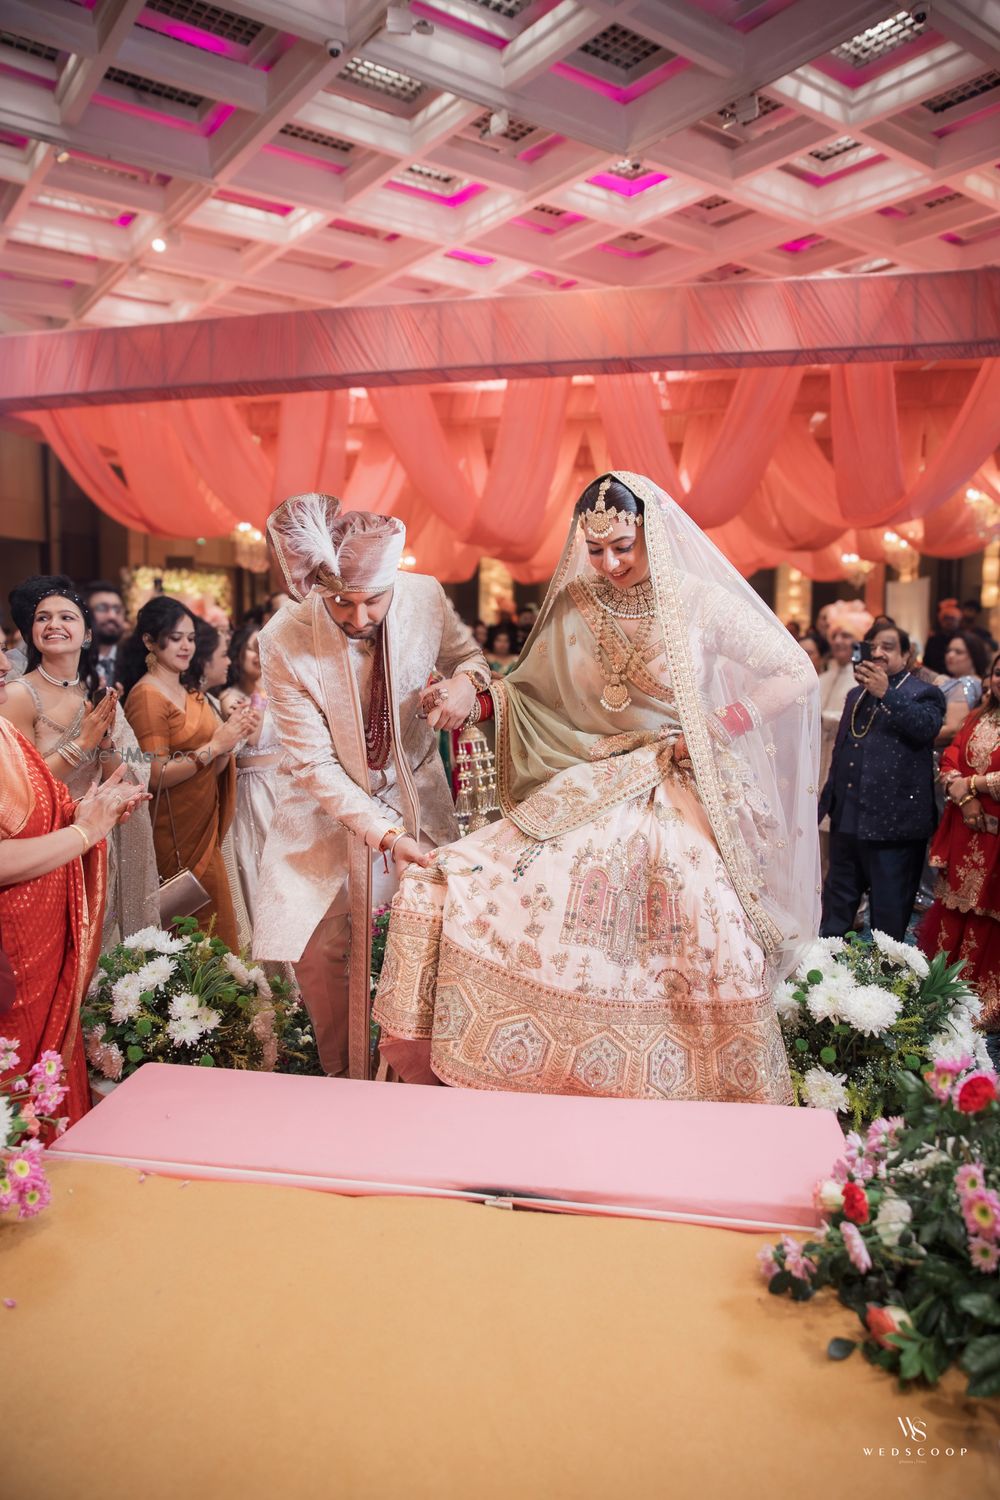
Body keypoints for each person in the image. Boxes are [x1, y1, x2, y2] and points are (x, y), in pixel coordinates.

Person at [374, 471, 820, 1101]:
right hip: (588, 777)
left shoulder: (697, 601)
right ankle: (554, 1068)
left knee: (702, 920)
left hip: (674, 780)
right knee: (472, 883)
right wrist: (472, 697)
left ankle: (692, 1081)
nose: (610, 563)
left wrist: (712, 729)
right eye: (596, 549)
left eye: (623, 547)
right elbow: (530, 691)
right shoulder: (576, 600)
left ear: (651, 534)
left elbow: (795, 670)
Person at [252, 494, 491, 1080]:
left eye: (373, 601)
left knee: (433, 941)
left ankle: (423, 1078)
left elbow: (472, 658)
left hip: (418, 801)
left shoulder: (426, 596)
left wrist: (465, 683)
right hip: (324, 811)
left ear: (395, 584)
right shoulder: (283, 636)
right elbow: (312, 762)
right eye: (341, 602)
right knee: (320, 951)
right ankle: (343, 1079)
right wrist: (385, 835)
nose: (358, 618)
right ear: (317, 587)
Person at [0, 644, 148, 1126]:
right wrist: (85, 832)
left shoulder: (6, 732)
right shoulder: (18, 707)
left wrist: (87, 809)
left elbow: (35, 809)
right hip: (13, 953)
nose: (4, 665)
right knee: (19, 1086)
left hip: (41, 938)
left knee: (45, 1080)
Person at [0, 577, 158, 949]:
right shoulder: (19, 696)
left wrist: (104, 743)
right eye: (42, 618)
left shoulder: (95, 696)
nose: (53, 624)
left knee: (100, 947)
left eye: (66, 617)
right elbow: (22, 789)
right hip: (46, 845)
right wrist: (81, 743)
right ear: (32, 632)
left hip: (97, 842)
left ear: (86, 635)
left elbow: (126, 772)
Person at [122, 597, 256, 951]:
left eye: (191, 638)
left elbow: (214, 766)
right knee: (190, 936)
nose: (186, 646)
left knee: (219, 931)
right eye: (175, 637)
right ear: (150, 641)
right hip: (173, 835)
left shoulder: (190, 692)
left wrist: (230, 739)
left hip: (204, 827)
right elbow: (154, 774)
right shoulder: (147, 696)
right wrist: (215, 745)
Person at [819, 624, 945, 941]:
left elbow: (926, 728)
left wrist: (886, 693)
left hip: (894, 826)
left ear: (906, 654)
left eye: (887, 647)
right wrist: (827, 804)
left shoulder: (924, 692)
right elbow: (842, 751)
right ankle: (826, 969)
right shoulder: (855, 695)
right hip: (847, 820)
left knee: (888, 923)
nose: (877, 653)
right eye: (872, 646)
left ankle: (885, 973)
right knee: (834, 914)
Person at [920, 650, 1000, 1068]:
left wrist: (972, 785)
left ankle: (983, 1001)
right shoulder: (976, 717)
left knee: (990, 915)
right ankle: (944, 989)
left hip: (996, 837)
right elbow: (950, 758)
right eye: (998, 673)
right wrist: (966, 798)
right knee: (954, 910)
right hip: (968, 832)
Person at [218, 623, 288, 957]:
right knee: (258, 865)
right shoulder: (231, 697)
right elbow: (253, 735)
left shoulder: (283, 691)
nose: (259, 655)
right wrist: (262, 694)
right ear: (237, 653)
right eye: (251, 648)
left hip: (284, 787)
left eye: (265, 648)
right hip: (253, 790)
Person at [818, 604, 874, 796]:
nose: (838, 641)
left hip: (848, 757)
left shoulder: (864, 679)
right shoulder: (823, 678)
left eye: (846, 636)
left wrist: (824, 719)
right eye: (834, 636)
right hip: (818, 754)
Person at [935, 630, 990, 746]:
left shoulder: (965, 683)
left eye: (958, 652)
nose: (950, 655)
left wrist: (914, 734)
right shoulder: (974, 681)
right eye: (948, 651)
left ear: (974, 655)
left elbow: (953, 729)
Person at [82, 580, 128, 692]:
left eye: (117, 610)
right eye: (102, 608)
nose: (112, 616)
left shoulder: (133, 659)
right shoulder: (75, 659)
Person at [922, 599, 964, 676]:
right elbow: (926, 663)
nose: (949, 622)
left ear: (958, 621)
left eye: (952, 619)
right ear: (941, 620)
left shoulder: (962, 640)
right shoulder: (933, 640)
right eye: (946, 618)